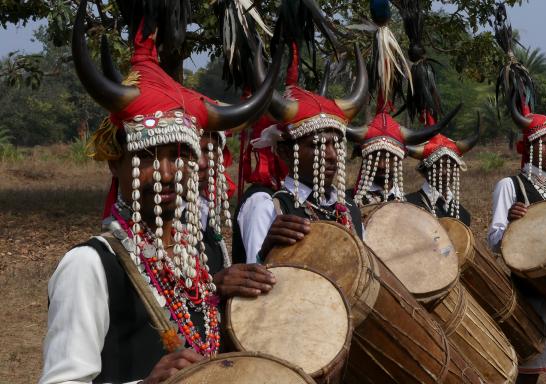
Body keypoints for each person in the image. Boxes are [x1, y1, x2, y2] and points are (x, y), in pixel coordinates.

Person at [39, 3, 280, 382]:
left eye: (181, 156)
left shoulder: (196, 250)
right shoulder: (89, 266)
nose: (167, 174)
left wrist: (214, 291)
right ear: (114, 163)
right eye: (148, 157)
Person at [233, 9, 369, 263]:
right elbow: (256, 286)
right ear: (285, 151)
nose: (330, 156)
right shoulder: (269, 206)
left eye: (335, 144)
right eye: (317, 145)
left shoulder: (349, 209)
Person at [488, 111, 546, 384]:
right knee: (530, 375)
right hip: (533, 295)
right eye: (545, 141)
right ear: (529, 145)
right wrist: (514, 227)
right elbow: (494, 241)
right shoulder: (510, 185)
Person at [347, 96, 459, 206]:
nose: (381, 165)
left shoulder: (412, 205)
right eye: (375, 156)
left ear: (400, 158)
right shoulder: (347, 202)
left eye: (389, 157)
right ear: (364, 157)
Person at [404, 127, 478, 226]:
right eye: (437, 166)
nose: (444, 172)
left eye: (450, 166)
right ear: (425, 170)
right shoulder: (407, 205)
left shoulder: (463, 215)